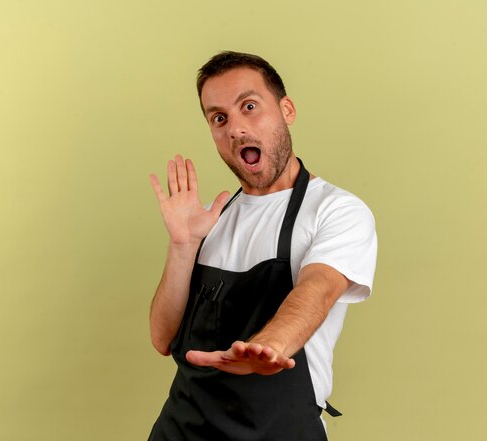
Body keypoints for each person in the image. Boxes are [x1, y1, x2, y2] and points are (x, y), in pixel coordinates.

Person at [147, 51, 377, 441]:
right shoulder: (208, 219)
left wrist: (267, 347)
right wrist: (183, 245)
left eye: (249, 107)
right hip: (180, 430)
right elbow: (162, 338)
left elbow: (317, 290)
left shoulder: (337, 211)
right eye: (219, 118)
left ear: (286, 109)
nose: (235, 128)